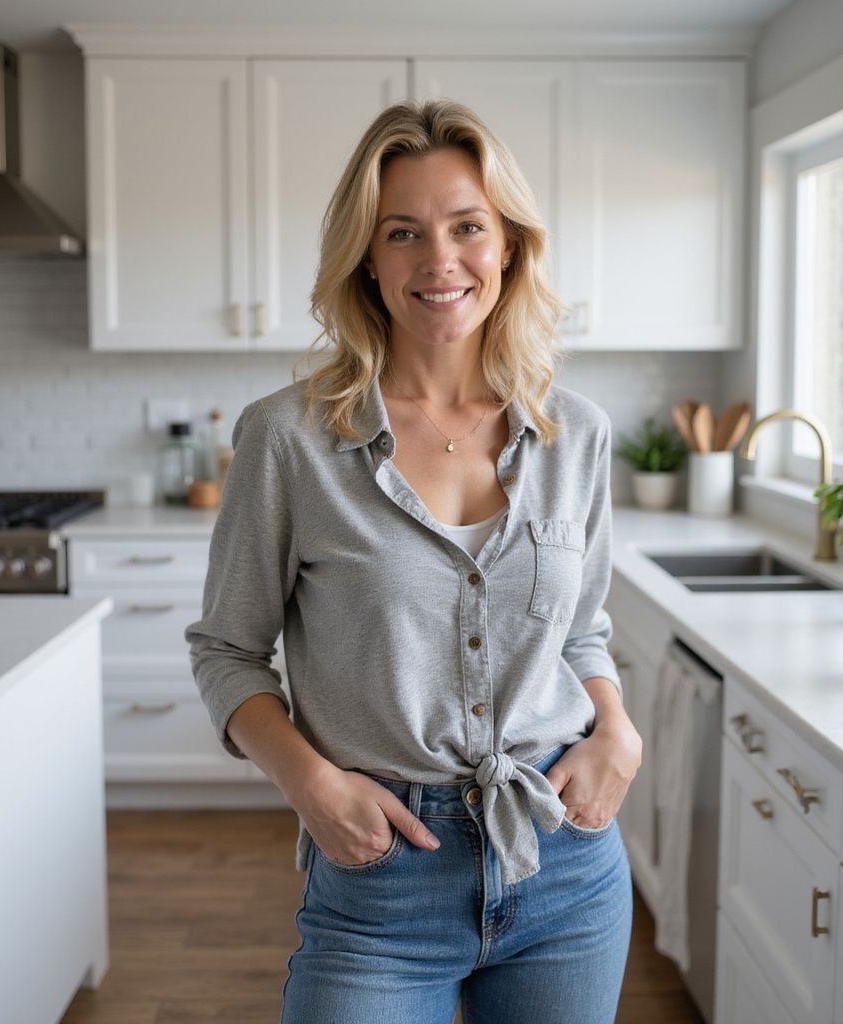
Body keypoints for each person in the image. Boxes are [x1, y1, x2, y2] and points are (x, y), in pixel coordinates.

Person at [184, 98, 642, 1024]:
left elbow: (582, 631)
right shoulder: (288, 438)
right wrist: (312, 786)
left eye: (467, 226)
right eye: (404, 233)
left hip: (566, 868)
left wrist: (618, 733)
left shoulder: (576, 435)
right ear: (368, 258)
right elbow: (226, 652)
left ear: (508, 244)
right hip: (381, 877)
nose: (440, 261)